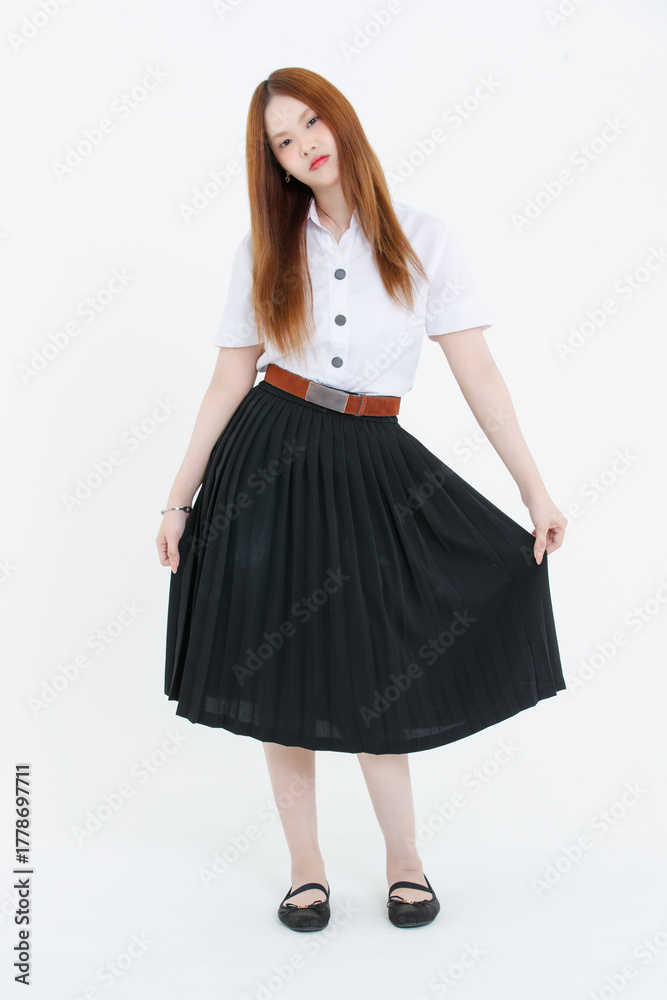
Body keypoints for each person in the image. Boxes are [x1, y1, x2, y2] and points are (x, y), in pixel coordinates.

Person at [156, 67, 567, 932]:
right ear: (272, 161)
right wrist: (177, 499)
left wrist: (533, 489)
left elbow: (477, 373)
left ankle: (403, 860)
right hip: (268, 453)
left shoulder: (424, 239)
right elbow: (230, 376)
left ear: (339, 120)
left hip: (373, 460)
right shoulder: (263, 248)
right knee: (276, 672)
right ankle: (305, 870)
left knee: (382, 667)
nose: (304, 144)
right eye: (283, 140)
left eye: (311, 122)